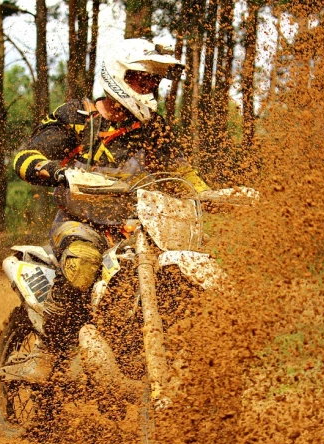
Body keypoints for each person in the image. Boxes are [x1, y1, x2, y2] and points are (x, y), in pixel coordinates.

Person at [12, 38, 212, 355]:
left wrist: (206, 194)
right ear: (119, 75)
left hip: (133, 228)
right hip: (79, 222)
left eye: (153, 82)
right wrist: (58, 172)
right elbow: (25, 158)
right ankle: (44, 350)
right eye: (140, 79)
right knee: (83, 259)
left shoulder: (152, 127)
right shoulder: (76, 117)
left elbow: (180, 172)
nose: (147, 88)